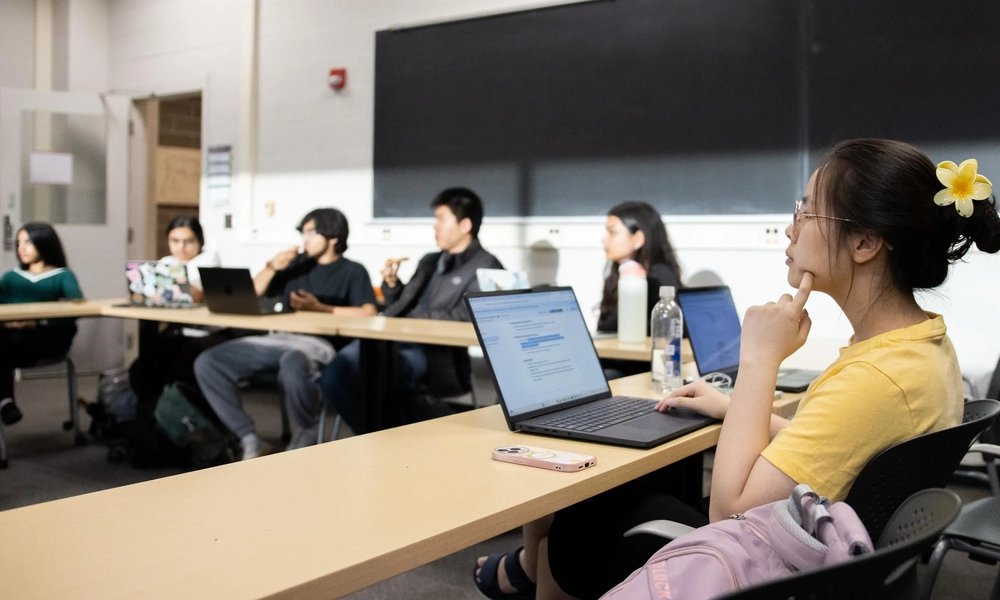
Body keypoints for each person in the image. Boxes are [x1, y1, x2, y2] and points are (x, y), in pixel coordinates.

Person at [474, 138, 1000, 600]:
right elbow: (843, 449)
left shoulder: (876, 379)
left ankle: (525, 572)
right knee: (613, 504)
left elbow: (729, 514)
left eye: (808, 210)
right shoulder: (919, 347)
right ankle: (522, 572)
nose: (791, 227)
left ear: (865, 244)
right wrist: (736, 408)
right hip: (828, 543)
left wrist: (759, 360)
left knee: (576, 529)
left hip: (778, 572)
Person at [194, 208, 376, 460]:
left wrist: (321, 308)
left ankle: (307, 427)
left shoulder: (353, 271)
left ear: (334, 236)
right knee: (209, 362)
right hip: (279, 338)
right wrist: (272, 266)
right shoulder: (297, 266)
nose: (305, 239)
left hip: (321, 342)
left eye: (311, 232)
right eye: (303, 233)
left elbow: (368, 312)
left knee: (293, 360)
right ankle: (247, 437)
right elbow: (254, 291)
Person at [321, 187, 503, 434]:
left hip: (434, 353)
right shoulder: (430, 260)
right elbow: (406, 303)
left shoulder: (487, 266)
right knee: (335, 375)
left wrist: (412, 317)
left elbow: (469, 316)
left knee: (381, 379)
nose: (435, 226)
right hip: (390, 339)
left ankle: (385, 438)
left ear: (465, 225)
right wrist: (393, 286)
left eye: (441, 219)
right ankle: (377, 437)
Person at [0, 223, 83, 426]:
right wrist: (9, 323)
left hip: (47, 338)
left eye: (28, 242)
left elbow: (75, 308)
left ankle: (5, 401)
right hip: (9, 337)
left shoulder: (62, 275)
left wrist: (37, 321)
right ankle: (6, 403)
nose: (22, 248)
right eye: (19, 243)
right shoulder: (11, 277)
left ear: (44, 243)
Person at [597, 201, 683, 380]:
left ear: (637, 239)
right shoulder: (615, 277)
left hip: (642, 370)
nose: (604, 239)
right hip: (617, 362)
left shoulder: (658, 278)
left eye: (612, 232)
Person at [158, 215, 220, 303]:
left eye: (188, 241)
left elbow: (195, 297)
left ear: (200, 241)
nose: (181, 247)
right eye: (175, 241)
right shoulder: (166, 261)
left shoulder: (209, 260)